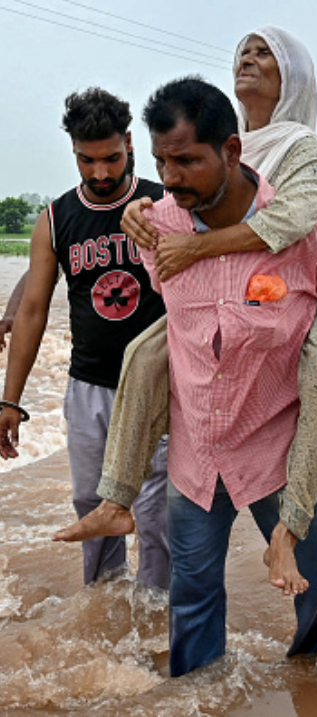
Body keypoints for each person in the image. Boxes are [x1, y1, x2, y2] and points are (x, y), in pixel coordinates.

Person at [55, 28, 317, 588]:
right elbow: (180, 196)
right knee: (143, 355)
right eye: (244, 51)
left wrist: (196, 248)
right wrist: (141, 210)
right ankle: (116, 499)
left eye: (265, 53)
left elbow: (291, 221)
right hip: (218, 302)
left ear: (295, 77)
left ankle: (291, 528)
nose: (249, 60)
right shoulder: (221, 144)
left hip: (291, 296)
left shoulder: (301, 146)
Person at [139, 76, 317, 677]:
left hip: (277, 449)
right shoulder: (158, 226)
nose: (170, 178)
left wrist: (310, 359)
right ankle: (200, 696)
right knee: (192, 599)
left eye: (187, 160)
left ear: (231, 150)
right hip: (196, 453)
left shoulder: (307, 235)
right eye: (161, 161)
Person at [0, 88, 171, 591]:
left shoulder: (163, 205)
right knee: (91, 506)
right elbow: (33, 309)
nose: (99, 173)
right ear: (73, 151)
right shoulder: (56, 219)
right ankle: (105, 604)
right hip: (90, 386)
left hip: (162, 383)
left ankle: (158, 607)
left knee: (158, 512)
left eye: (111, 158)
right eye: (86, 160)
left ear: (129, 144)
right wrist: (9, 399)